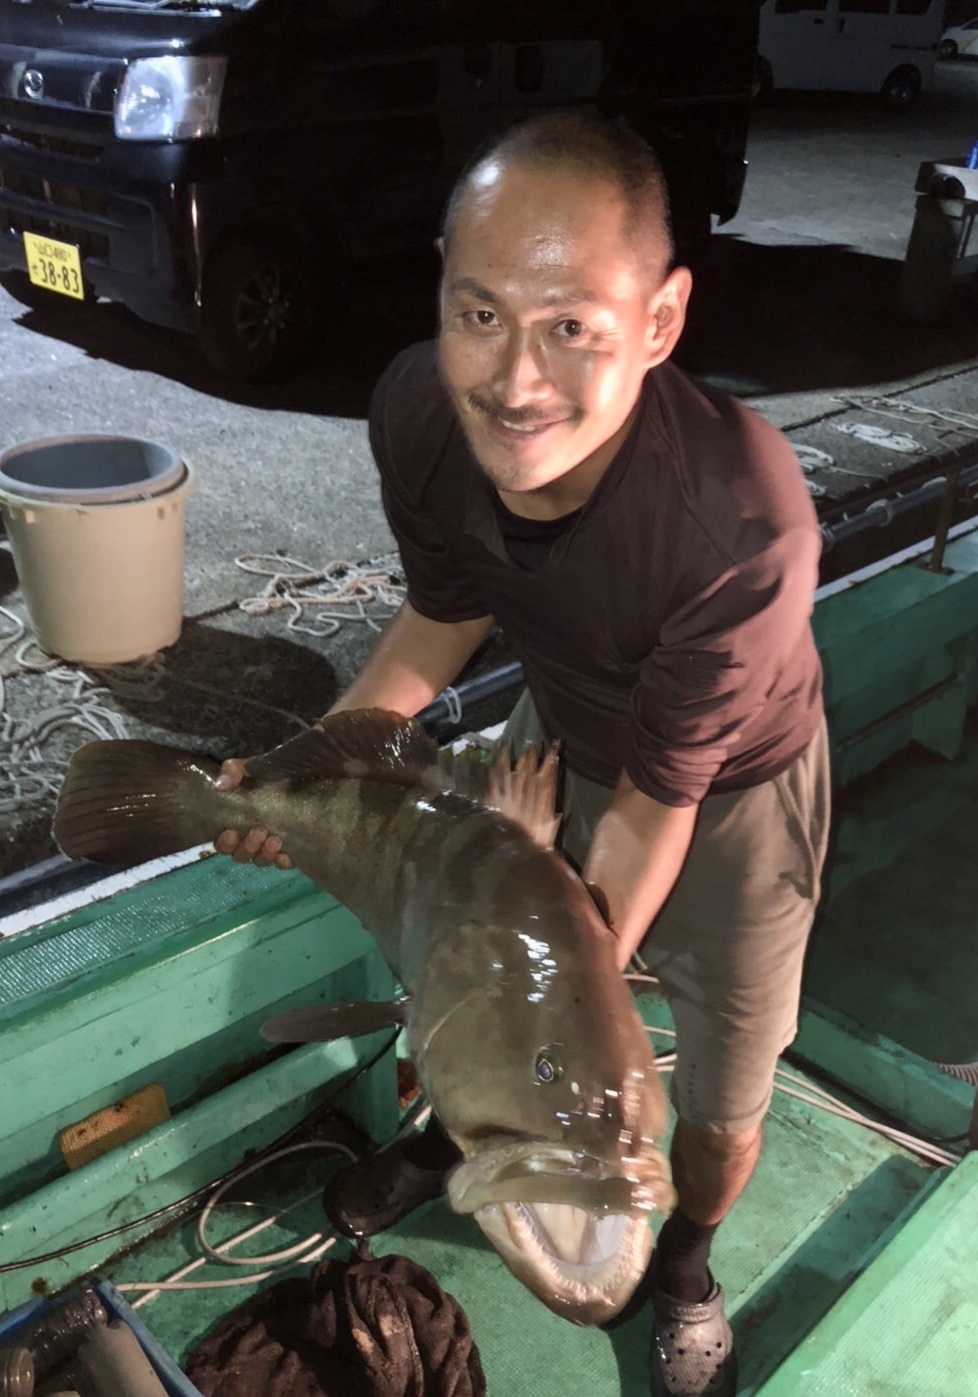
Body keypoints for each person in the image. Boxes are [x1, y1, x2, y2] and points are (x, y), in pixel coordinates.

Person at [216, 112, 829, 1397]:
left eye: (572, 326)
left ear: (659, 322)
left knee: (719, 1102)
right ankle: (468, 1126)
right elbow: (442, 617)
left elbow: (658, 803)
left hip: (728, 791)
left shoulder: (740, 524)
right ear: (440, 286)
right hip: (556, 727)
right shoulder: (420, 413)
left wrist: (555, 977)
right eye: (481, 313)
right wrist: (317, 763)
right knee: (480, 986)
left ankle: (688, 1265)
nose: (515, 380)